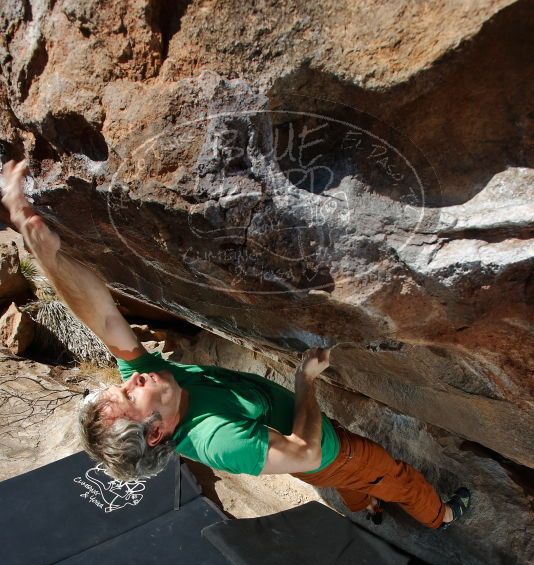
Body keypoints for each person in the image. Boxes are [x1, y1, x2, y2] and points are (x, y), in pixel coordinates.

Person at [1, 159, 471, 530]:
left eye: (121, 387)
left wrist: (47, 254)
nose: (130, 381)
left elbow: (102, 315)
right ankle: (442, 518)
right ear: (157, 432)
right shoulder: (217, 439)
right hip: (328, 452)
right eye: (129, 396)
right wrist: (303, 382)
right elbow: (304, 453)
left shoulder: (155, 389)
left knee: (353, 482)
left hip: (317, 461)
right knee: (397, 476)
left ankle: (362, 502)